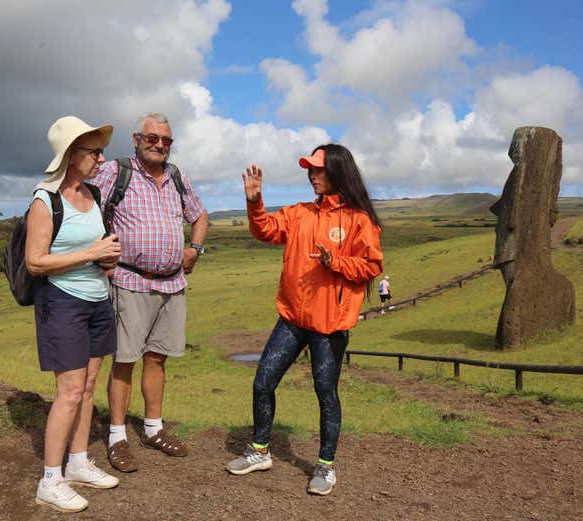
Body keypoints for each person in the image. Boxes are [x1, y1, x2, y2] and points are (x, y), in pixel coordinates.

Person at [225, 144, 383, 496]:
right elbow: (265, 230)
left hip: (330, 325)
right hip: (293, 318)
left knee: (325, 393)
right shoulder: (299, 213)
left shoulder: (360, 219)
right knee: (263, 382)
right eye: (310, 170)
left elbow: (372, 266)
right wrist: (254, 201)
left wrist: (336, 261)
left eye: (320, 170)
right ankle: (260, 450)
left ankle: (325, 467)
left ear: (339, 172)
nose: (313, 175)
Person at [89, 112, 208, 473]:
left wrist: (196, 249)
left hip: (172, 283)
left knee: (158, 357)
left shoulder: (176, 176)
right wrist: (104, 260)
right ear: (137, 139)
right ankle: (117, 436)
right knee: (124, 359)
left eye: (166, 140)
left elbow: (200, 216)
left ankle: (153, 428)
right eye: (153, 138)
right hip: (130, 280)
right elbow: (89, 210)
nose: (160, 145)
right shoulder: (115, 171)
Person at [26, 116, 123, 513]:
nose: (102, 158)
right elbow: (35, 262)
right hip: (62, 303)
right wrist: (92, 255)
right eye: (94, 152)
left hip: (97, 300)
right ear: (71, 155)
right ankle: (50, 479)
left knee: (88, 386)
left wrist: (105, 260)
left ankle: (79, 461)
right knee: (68, 392)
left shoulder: (94, 196)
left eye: (101, 151)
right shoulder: (44, 200)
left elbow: (95, 249)